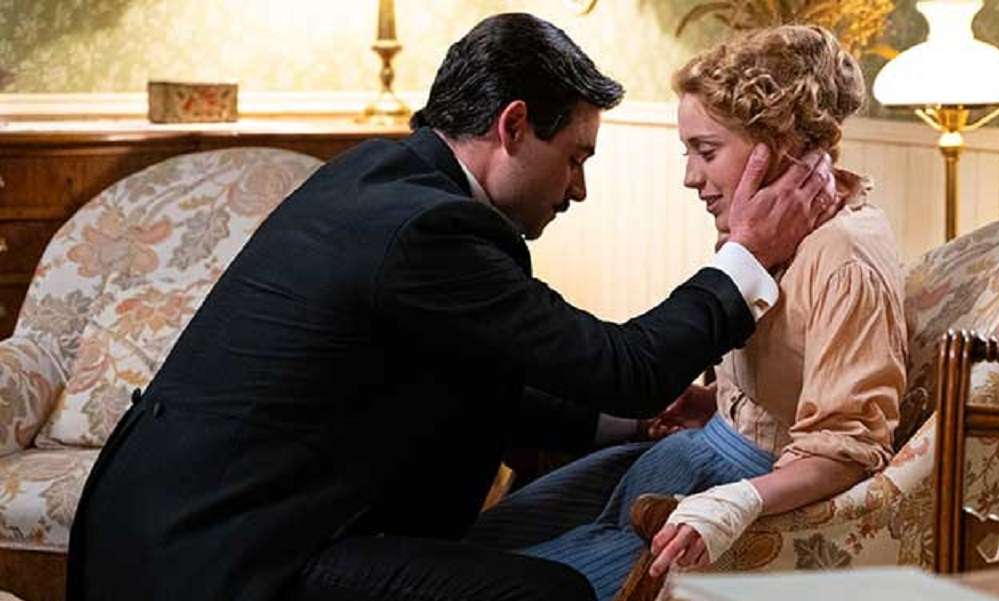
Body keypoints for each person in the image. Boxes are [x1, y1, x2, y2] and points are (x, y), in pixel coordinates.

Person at [64, 13, 841, 601]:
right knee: (552, 593)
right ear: (512, 127)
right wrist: (748, 252)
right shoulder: (427, 229)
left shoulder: (381, 174)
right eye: (574, 158)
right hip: (226, 562)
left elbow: (473, 379)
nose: (577, 189)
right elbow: (624, 365)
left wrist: (638, 423)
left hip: (163, 530)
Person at [467, 25, 907, 600]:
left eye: (706, 151)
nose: (690, 176)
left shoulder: (844, 256)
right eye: (688, 152)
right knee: (466, 556)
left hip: (731, 488)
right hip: (686, 457)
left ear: (776, 144)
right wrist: (718, 403)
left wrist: (736, 502)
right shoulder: (761, 235)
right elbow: (790, 377)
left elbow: (848, 446)